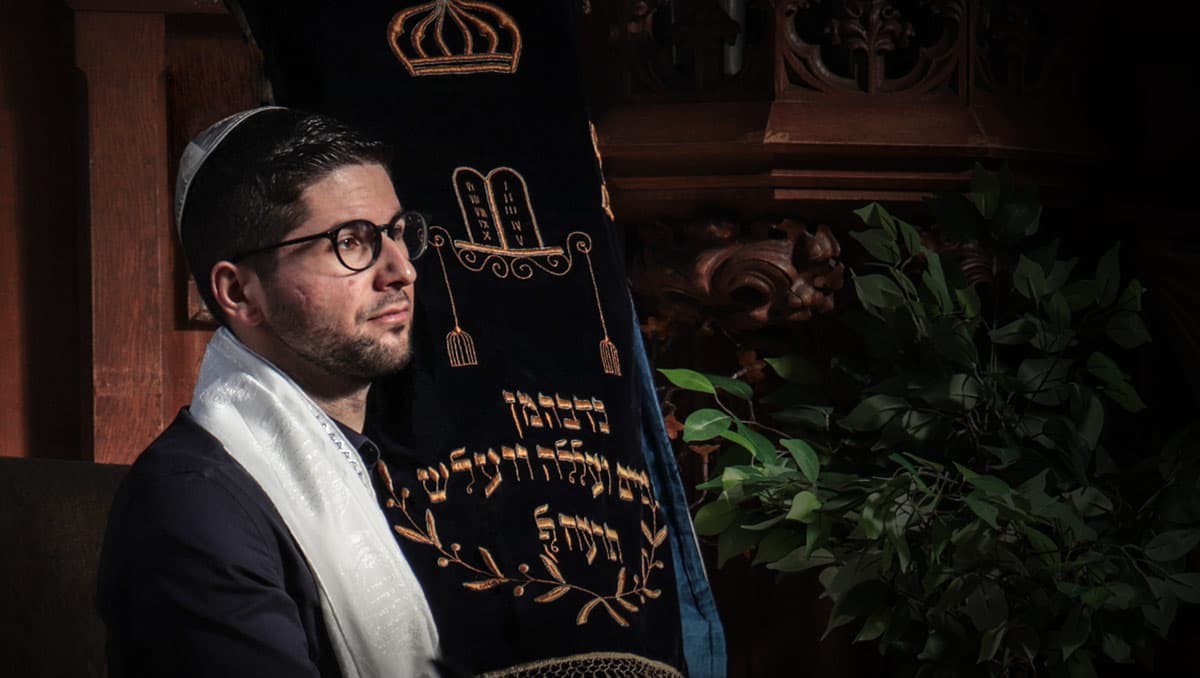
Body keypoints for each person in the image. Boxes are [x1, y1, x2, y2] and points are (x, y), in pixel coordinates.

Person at [96, 106, 446, 677]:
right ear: (240, 293)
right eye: (351, 242)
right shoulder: (191, 510)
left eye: (397, 233)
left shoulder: (385, 472)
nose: (401, 268)